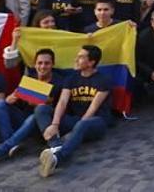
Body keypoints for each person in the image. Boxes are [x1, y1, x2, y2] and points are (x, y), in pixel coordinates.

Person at [34, 45, 112, 178]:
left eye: (81, 57)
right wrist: (55, 124)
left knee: (83, 124)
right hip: (75, 120)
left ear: (91, 62)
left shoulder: (103, 80)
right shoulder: (71, 78)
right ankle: (56, 146)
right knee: (41, 108)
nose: (76, 59)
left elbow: (92, 109)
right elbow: (62, 102)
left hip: (96, 122)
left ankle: (58, 158)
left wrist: (74, 130)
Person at [0, 49, 62, 161]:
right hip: (23, 119)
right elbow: (9, 101)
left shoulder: (58, 82)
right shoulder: (30, 77)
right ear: (35, 64)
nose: (43, 66)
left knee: (34, 116)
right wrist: (12, 98)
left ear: (53, 64)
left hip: (42, 126)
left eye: (47, 63)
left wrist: (34, 98)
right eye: (40, 63)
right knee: (0, 104)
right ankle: (10, 143)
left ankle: (2, 149)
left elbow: (49, 105)